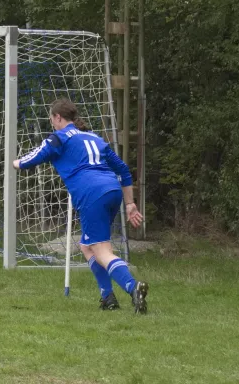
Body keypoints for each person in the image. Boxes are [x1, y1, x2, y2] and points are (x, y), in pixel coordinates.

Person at [13, 98, 149, 314]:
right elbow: (123, 169)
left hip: (91, 194)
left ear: (58, 117)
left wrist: (16, 163)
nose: (52, 124)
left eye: (52, 119)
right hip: (112, 191)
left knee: (102, 251)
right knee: (87, 245)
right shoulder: (95, 138)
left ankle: (133, 288)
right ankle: (107, 297)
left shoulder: (59, 138)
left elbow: (36, 156)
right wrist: (130, 203)